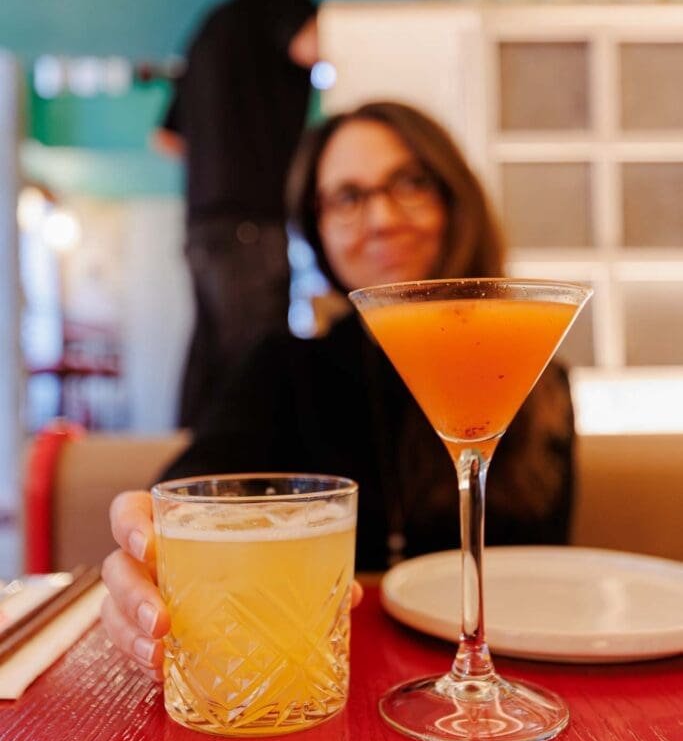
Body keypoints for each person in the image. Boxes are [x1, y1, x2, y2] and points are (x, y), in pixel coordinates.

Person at [103, 101, 575, 680]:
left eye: (410, 182)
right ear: (318, 226)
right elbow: (191, 494)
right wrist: (146, 546)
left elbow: (552, 569)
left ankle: (473, 667)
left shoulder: (540, 376)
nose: (379, 218)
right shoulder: (281, 368)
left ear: (455, 198)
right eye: (347, 197)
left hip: (534, 674)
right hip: (334, 678)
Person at [156, 0, 319, 427]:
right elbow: (311, 48)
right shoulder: (284, 2)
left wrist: (220, 154)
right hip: (252, 219)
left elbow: (165, 138)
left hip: (202, 223)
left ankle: (190, 479)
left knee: (211, 357)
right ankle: (244, 486)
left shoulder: (210, 27)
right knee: (255, 361)